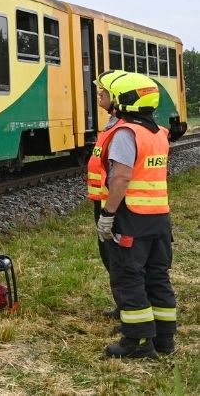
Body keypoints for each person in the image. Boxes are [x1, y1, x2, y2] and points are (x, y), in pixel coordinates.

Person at [98, 72, 176, 358]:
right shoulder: (158, 134)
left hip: (132, 218)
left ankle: (137, 341)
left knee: (129, 277)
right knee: (157, 277)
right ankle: (165, 340)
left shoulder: (126, 134)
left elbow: (121, 178)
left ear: (123, 100)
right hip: (159, 218)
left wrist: (108, 213)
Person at [87, 70, 125, 320]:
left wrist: (109, 213)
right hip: (105, 201)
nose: (99, 92)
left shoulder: (121, 130)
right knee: (111, 256)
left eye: (105, 90)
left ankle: (131, 314)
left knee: (120, 259)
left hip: (117, 206)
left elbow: (120, 176)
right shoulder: (112, 126)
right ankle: (124, 305)